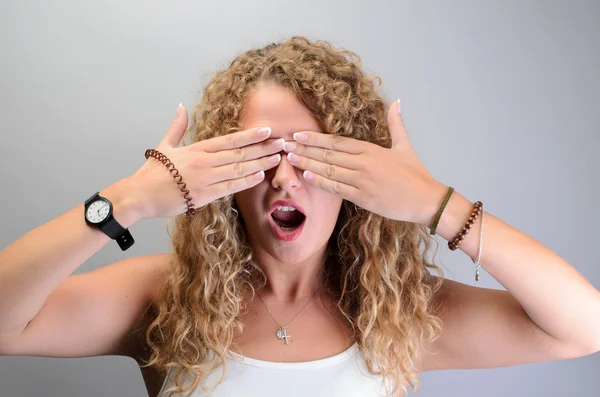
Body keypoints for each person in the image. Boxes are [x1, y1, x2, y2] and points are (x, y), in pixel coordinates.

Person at [0, 35, 598, 397]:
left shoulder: (399, 314)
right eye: (259, 154)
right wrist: (124, 201)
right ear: (220, 178)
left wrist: (434, 204)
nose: (284, 176)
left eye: (313, 154)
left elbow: (583, 328)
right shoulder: (164, 298)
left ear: (358, 175)